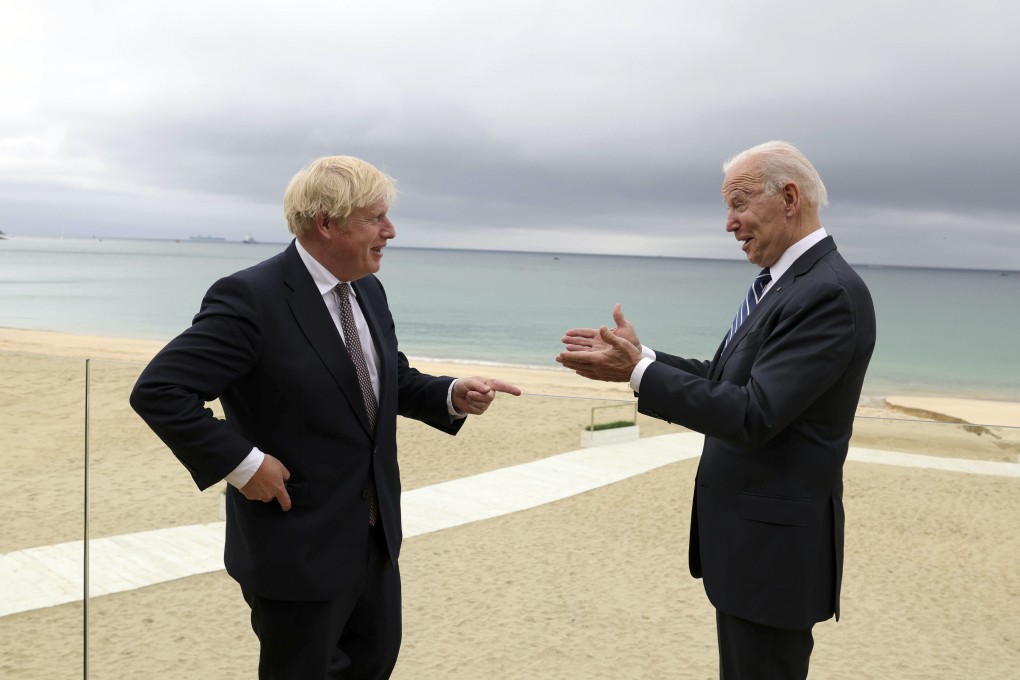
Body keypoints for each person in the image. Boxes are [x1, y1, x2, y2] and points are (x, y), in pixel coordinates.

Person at [130, 155, 521, 679]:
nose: (391, 231)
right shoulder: (251, 297)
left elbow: (385, 380)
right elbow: (160, 390)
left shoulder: (368, 289)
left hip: (375, 540)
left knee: (373, 666)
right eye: (375, 219)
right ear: (327, 223)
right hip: (294, 548)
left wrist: (451, 393)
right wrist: (245, 466)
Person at [556, 141, 875, 679]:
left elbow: (752, 413)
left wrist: (635, 375)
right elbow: (725, 377)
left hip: (774, 558)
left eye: (740, 204)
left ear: (790, 197)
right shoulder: (786, 283)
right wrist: (643, 357)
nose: (729, 223)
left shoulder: (828, 292)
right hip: (751, 549)